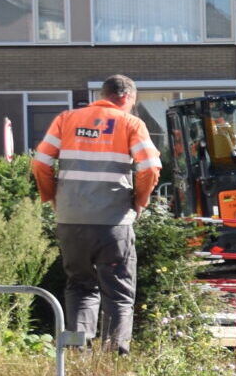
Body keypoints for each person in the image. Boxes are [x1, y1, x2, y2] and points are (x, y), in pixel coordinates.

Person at [31, 75, 160, 352]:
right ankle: (113, 359)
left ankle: (78, 354)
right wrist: (140, 200)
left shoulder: (66, 120)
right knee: (118, 292)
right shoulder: (130, 123)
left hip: (70, 220)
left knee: (79, 286)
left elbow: (40, 163)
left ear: (103, 94)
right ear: (126, 97)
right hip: (112, 223)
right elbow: (149, 167)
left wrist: (52, 197)